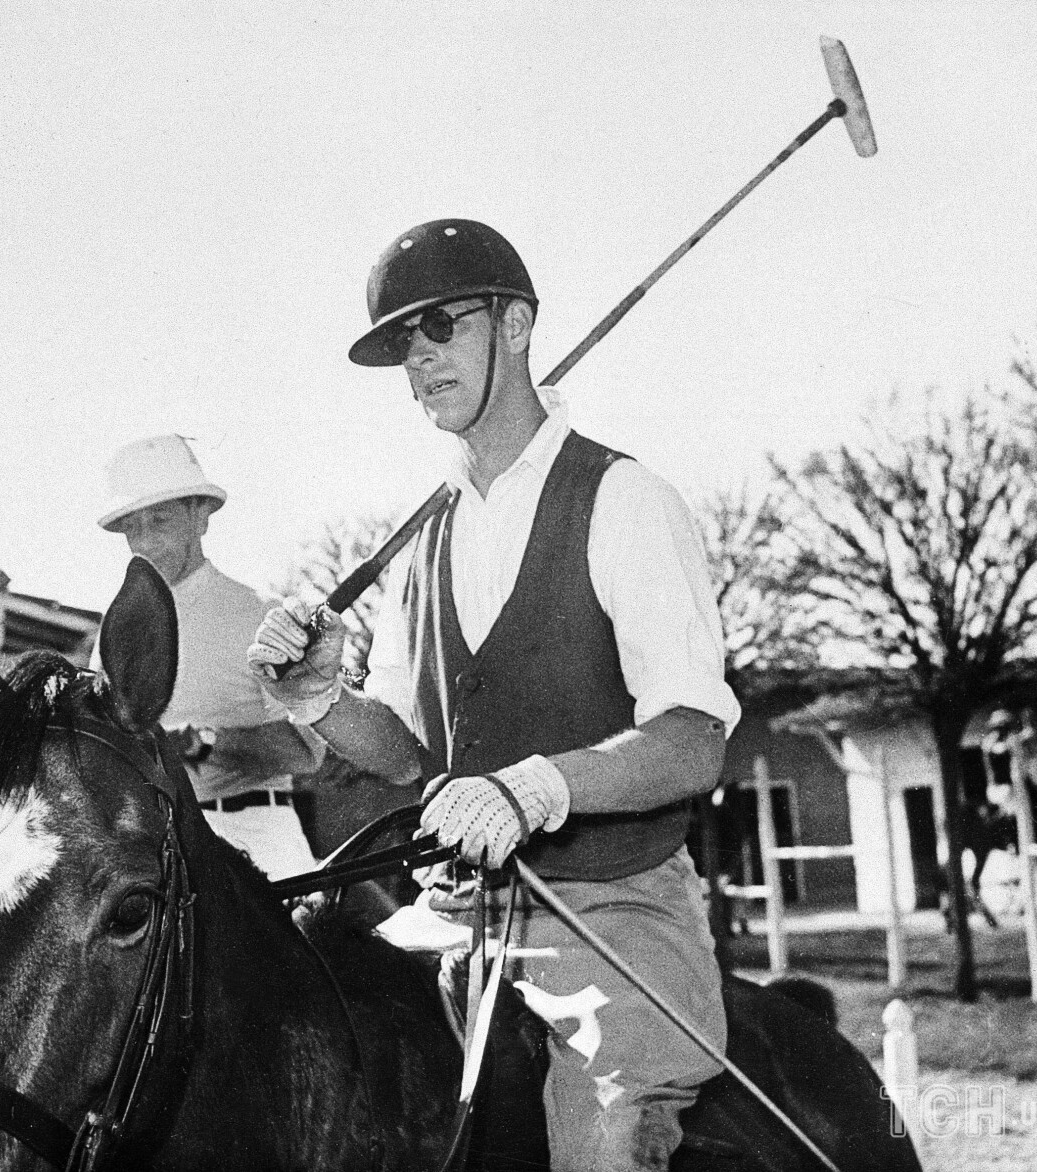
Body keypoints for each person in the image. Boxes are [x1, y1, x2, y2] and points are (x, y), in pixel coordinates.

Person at [248, 219, 740, 1170]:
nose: (419, 358)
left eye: (441, 325)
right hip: (452, 912)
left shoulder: (626, 498)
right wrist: (322, 699)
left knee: (600, 1136)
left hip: (615, 911)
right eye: (402, 343)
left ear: (515, 323)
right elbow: (404, 749)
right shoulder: (424, 538)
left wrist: (537, 787)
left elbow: (691, 742)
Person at [95, 433, 322, 879]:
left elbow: (304, 754)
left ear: (200, 516)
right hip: (159, 849)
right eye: (132, 528)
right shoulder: (114, 630)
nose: (144, 542)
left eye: (158, 521)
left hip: (258, 838)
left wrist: (204, 743)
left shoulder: (259, 613)